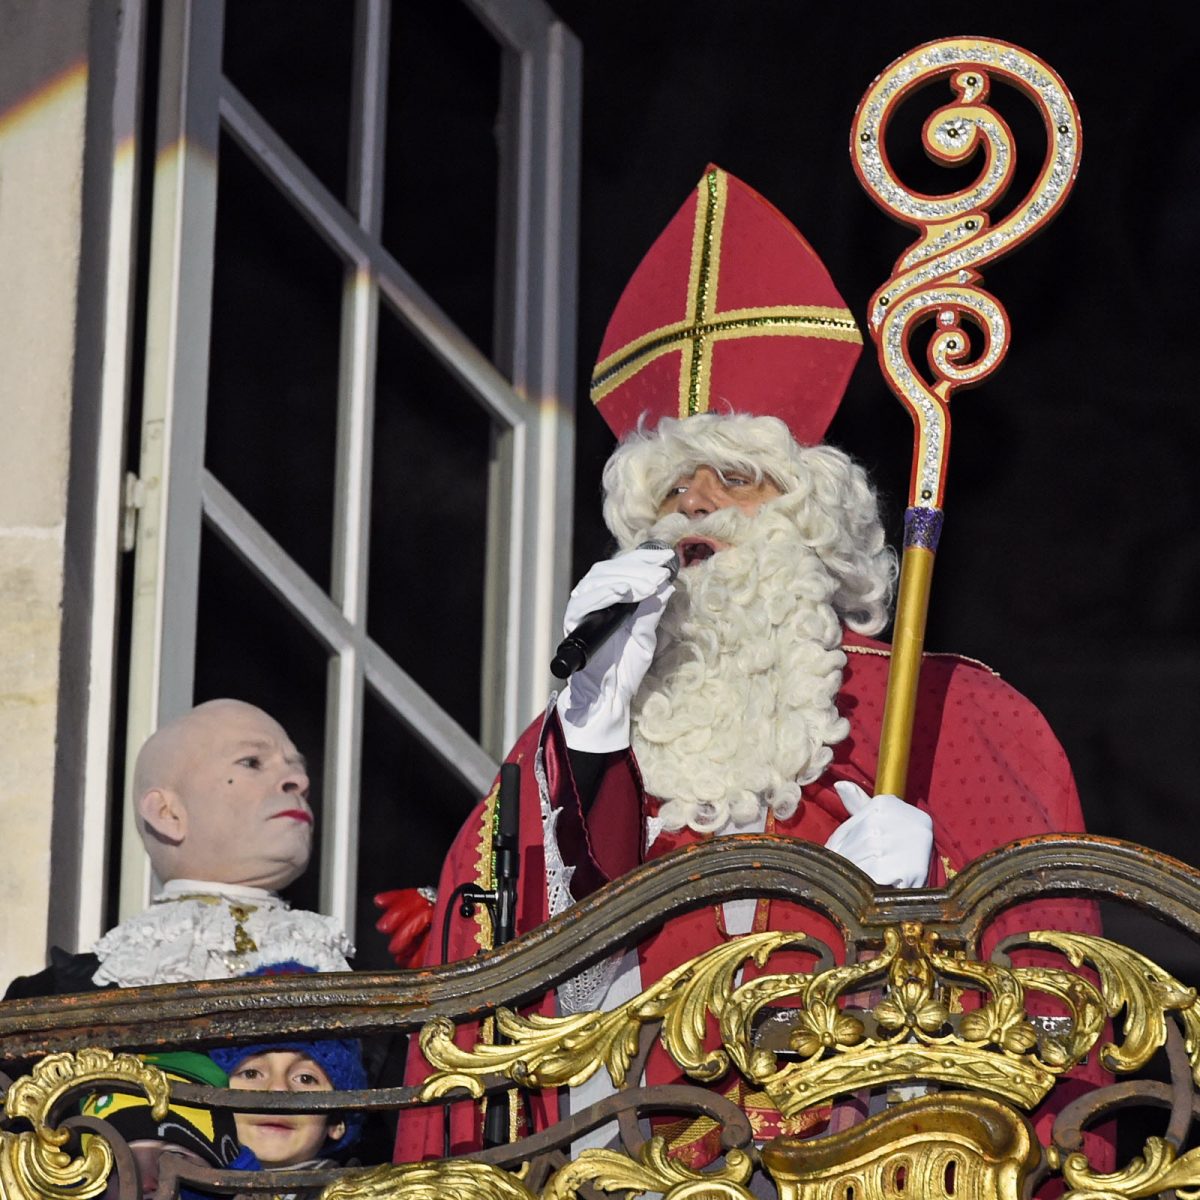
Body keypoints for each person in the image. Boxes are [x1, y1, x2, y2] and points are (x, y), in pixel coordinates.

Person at [388, 165, 1101, 1165]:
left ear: (812, 511)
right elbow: (494, 980)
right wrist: (586, 739)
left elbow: (1061, 999)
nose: (696, 504)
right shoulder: (574, 750)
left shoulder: (953, 712)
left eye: (735, 476)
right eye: (669, 488)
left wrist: (923, 919)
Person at [5, 698, 353, 997]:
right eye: (252, 762)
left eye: (298, 769)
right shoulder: (52, 998)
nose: (301, 783)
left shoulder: (346, 978)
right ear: (168, 813)